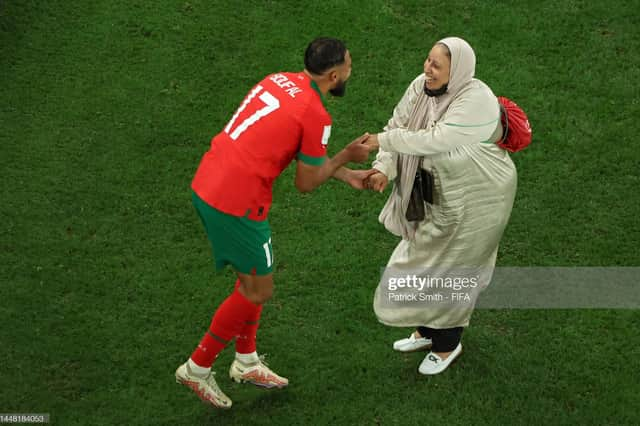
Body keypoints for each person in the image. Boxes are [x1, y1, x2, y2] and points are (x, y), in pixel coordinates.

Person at [175, 37, 377, 408]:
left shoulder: (278, 80)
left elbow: (293, 149)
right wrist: (347, 153)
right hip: (236, 204)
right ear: (334, 75)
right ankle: (198, 366)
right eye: (349, 66)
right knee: (259, 289)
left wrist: (346, 174)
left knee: (250, 278)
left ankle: (247, 360)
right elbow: (306, 183)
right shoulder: (316, 114)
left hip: (210, 180)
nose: (351, 70)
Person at [363, 37, 517, 375]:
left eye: (436, 65)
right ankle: (428, 330)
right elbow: (399, 126)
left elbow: (436, 140)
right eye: (427, 60)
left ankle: (448, 345)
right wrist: (383, 169)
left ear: (457, 70)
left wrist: (383, 142)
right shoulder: (422, 87)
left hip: (479, 199)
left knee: (452, 270)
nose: (426, 69)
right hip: (438, 195)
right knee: (426, 266)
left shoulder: (476, 99)